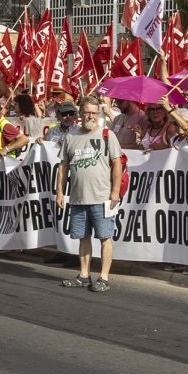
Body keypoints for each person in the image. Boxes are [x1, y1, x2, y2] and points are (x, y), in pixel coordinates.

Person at [54, 97, 125, 293]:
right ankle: (84, 275)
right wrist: (60, 192)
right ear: (80, 113)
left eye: (94, 112)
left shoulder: (106, 135)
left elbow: (117, 163)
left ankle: (104, 277)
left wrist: (115, 192)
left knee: (105, 237)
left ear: (99, 114)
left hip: (102, 198)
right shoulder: (71, 137)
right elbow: (63, 166)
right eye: (87, 112)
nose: (91, 116)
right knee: (83, 237)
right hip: (77, 198)